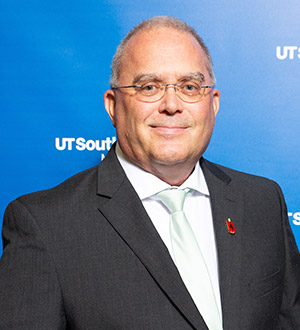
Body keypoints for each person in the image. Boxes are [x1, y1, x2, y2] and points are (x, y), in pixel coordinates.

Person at [0, 16, 299, 330]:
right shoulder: (45, 225)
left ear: (213, 104)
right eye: (149, 87)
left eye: (189, 86)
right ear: (113, 106)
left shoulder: (262, 201)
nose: (171, 104)